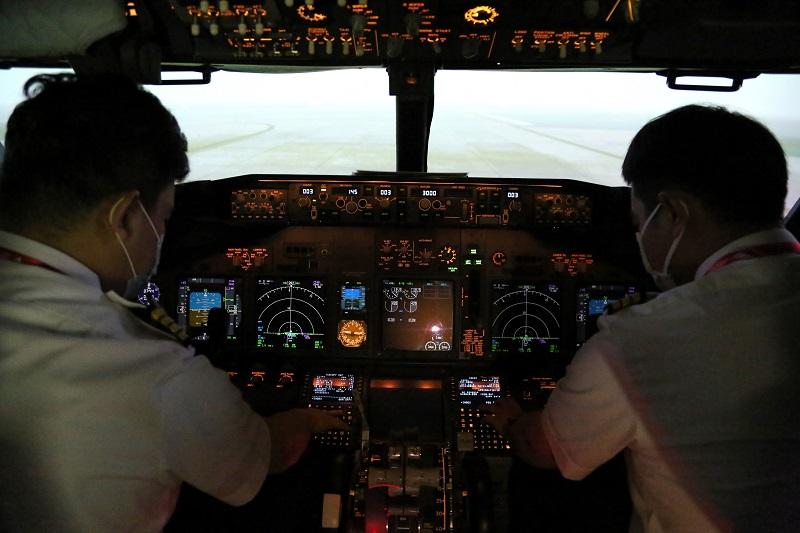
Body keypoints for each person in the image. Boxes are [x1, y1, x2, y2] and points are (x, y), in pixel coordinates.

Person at [0, 74, 346, 531]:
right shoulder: (153, 369)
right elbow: (267, 456)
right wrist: (307, 419)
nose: (162, 234)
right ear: (124, 216)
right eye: (164, 216)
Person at [486, 105, 800, 532]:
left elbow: (545, 450)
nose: (638, 237)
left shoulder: (637, 341)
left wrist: (510, 420)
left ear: (673, 214)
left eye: (638, 222)